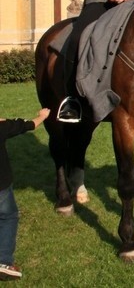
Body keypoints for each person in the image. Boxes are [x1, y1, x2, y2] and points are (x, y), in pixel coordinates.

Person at [0, 107, 50, 280]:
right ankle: (4, 262)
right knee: (8, 216)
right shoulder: (3, 127)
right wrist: (42, 116)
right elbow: (27, 125)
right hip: (2, 187)